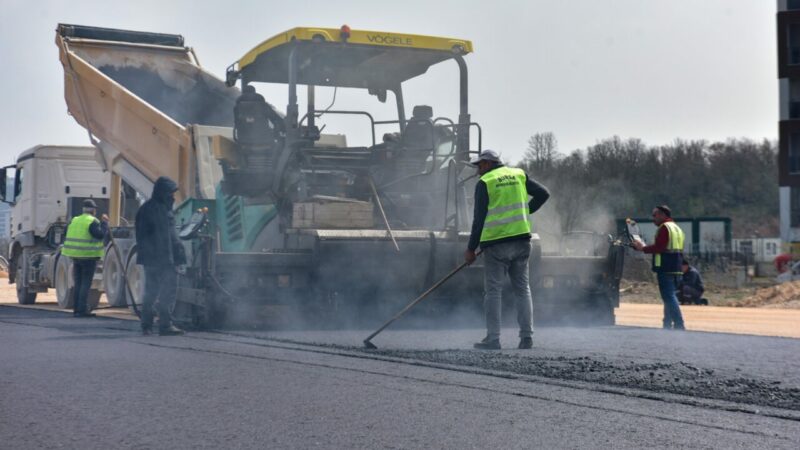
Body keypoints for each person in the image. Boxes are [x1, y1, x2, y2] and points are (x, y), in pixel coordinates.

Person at [465, 150, 550, 350]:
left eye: (479, 166)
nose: (477, 170)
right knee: (523, 289)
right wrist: (525, 211)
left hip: (496, 244)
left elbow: (479, 219)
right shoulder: (519, 174)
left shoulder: (486, 182)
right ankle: (527, 338)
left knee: (493, 291)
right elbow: (543, 193)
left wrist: (470, 248)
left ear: (487, 164)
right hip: (522, 241)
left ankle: (493, 339)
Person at [135, 176, 186, 336]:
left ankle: (146, 325)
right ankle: (165, 325)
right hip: (164, 260)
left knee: (151, 291)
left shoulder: (145, 208)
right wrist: (176, 257)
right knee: (167, 292)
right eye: (171, 192)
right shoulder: (161, 211)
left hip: (150, 259)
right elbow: (167, 238)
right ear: (164, 193)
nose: (173, 196)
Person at [632, 205, 686, 330]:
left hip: (666, 267)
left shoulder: (665, 228)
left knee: (669, 297)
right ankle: (666, 325)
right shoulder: (676, 228)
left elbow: (659, 248)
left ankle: (679, 324)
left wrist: (642, 248)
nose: (653, 218)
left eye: (655, 215)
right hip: (677, 268)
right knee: (670, 297)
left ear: (662, 215)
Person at [61, 199, 108, 317]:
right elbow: (100, 235)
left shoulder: (74, 220)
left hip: (75, 256)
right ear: (93, 211)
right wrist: (104, 223)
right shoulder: (92, 221)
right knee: (85, 284)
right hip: (88, 257)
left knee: (78, 283)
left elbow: (65, 233)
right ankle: (82, 310)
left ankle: (77, 309)